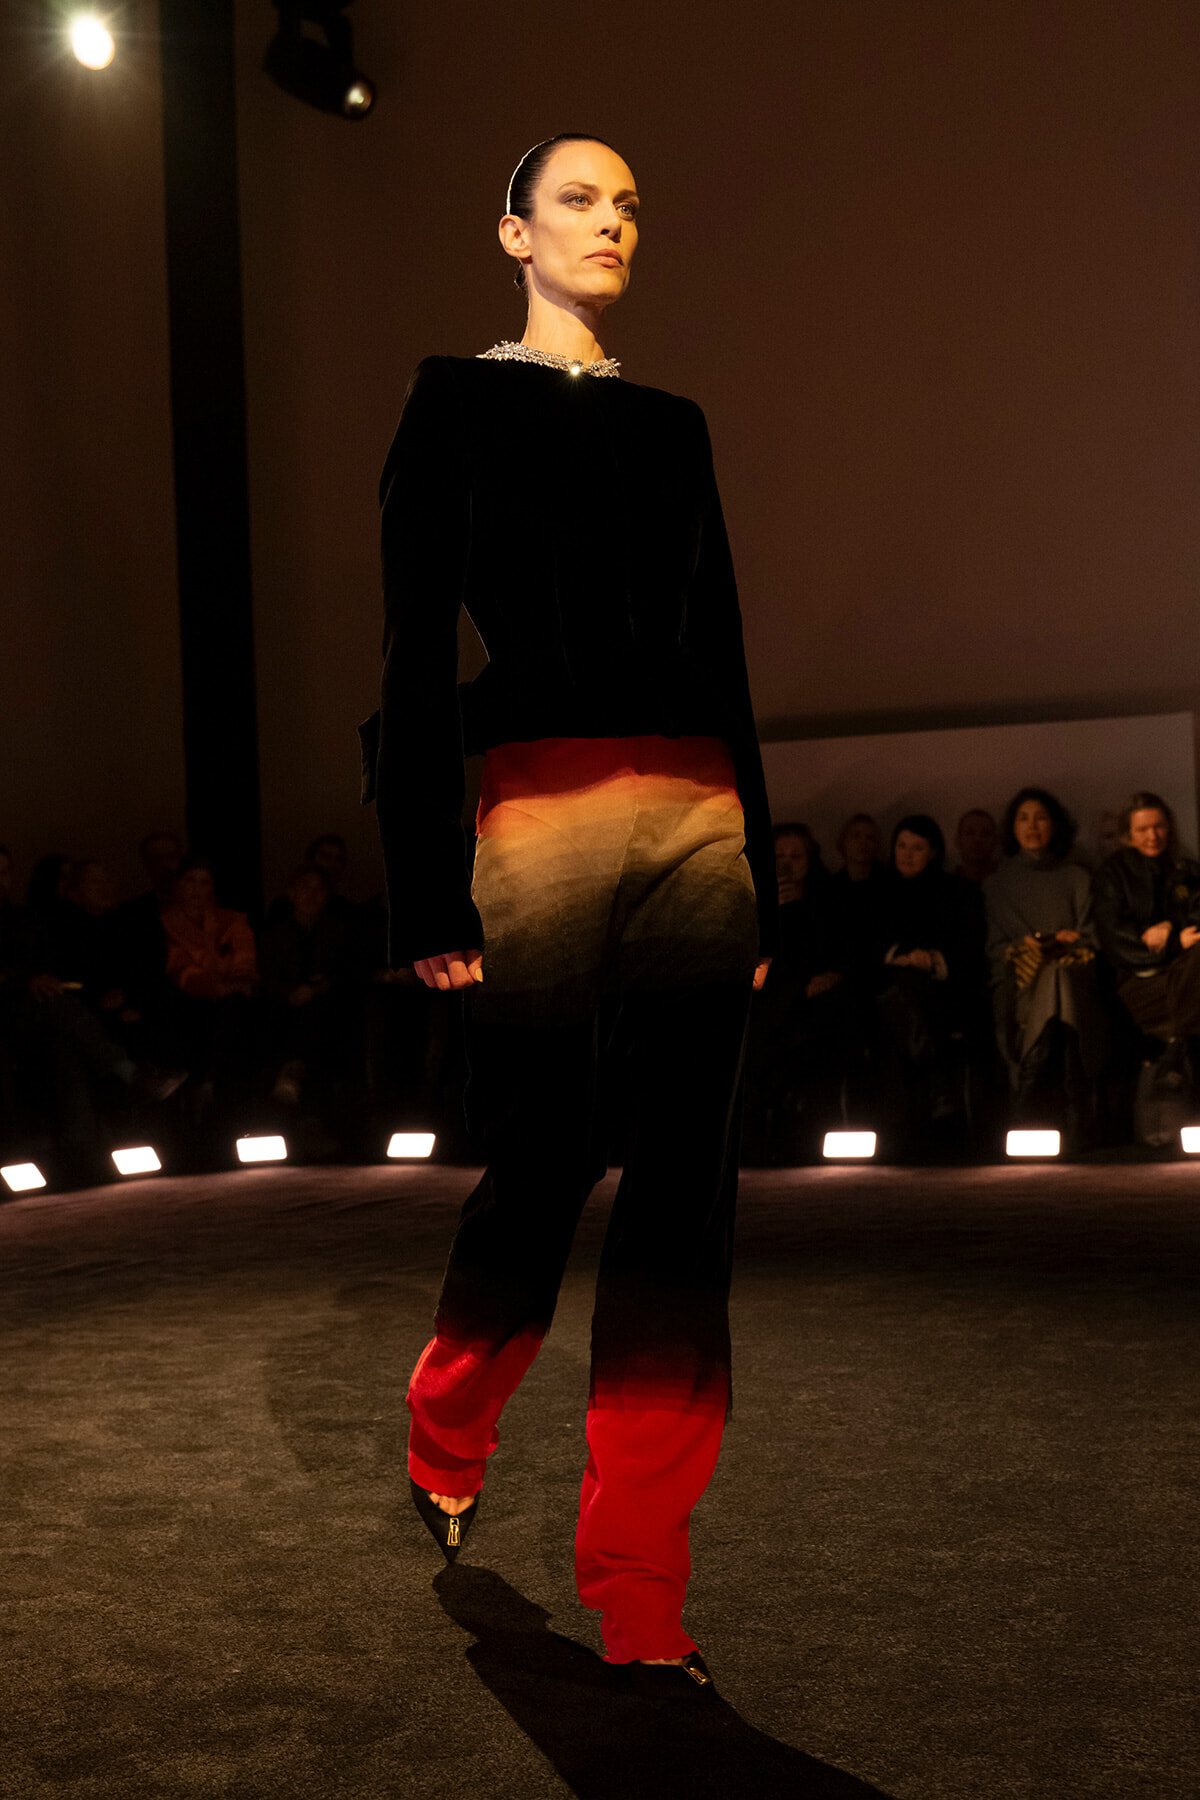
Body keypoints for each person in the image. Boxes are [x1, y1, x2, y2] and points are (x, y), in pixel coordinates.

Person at [364, 134, 776, 1698]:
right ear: (513, 231)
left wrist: (763, 872)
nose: (612, 225)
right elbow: (410, 655)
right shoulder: (453, 400)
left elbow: (724, 650)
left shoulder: (676, 427)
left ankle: (640, 1576)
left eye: (628, 207)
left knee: (684, 1201)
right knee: (540, 1166)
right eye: (580, 201)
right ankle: (450, 1411)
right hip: (530, 814)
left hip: (693, 818)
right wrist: (422, 884)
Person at [984, 787, 1104, 1132]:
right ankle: (1072, 1098)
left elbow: (1093, 939)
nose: (1032, 826)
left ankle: (1030, 1089)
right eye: (1023, 818)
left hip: (1074, 978)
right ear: (1012, 828)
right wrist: (1025, 948)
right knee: (1051, 978)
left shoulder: (1077, 877)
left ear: (1055, 825)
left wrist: (1069, 941)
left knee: (1060, 977)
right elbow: (993, 948)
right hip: (1019, 983)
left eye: (1040, 817)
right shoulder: (996, 885)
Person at [875, 814, 987, 1132]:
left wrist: (931, 959)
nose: (907, 854)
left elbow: (969, 947)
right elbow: (865, 945)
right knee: (898, 989)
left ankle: (908, 1109)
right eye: (902, 846)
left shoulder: (958, 892)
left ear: (933, 852)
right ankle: (938, 1082)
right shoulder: (880, 891)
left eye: (917, 848)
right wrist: (899, 957)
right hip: (888, 985)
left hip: (944, 990)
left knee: (905, 992)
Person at [744, 824, 845, 1162]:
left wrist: (797, 908)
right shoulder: (750, 895)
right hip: (769, 992)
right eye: (780, 856)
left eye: (796, 856)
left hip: (807, 993)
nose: (787, 863)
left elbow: (825, 952)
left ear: (810, 859)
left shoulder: (827, 897)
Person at [1091, 792, 1200, 1085]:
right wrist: (1176, 943)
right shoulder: (1113, 874)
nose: (1153, 836)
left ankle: (1178, 1045)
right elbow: (1116, 942)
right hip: (1140, 982)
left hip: (1186, 975)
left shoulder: (1185, 869)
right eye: (1142, 829)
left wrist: (1169, 927)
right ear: (1129, 834)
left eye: (1159, 826)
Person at [953, 808, 1001, 883]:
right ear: (958, 841)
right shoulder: (943, 887)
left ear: (995, 841)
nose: (978, 840)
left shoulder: (1009, 882)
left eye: (985, 834)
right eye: (970, 833)